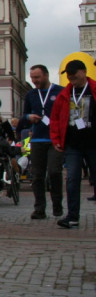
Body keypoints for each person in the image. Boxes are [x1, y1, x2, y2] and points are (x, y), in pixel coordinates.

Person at [50, 60, 96, 229]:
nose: (71, 79)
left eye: (74, 75)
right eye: (69, 76)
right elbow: (55, 118)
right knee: (72, 180)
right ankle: (72, 216)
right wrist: (56, 139)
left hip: (93, 143)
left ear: (83, 72)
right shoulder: (64, 94)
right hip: (72, 144)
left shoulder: (94, 89)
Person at [18, 65, 64, 220]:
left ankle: (57, 205)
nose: (34, 81)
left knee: (54, 172)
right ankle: (39, 208)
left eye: (37, 77)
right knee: (37, 176)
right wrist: (29, 117)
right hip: (37, 139)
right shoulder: (31, 94)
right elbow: (24, 116)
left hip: (54, 139)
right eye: (32, 78)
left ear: (46, 75)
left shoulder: (59, 91)